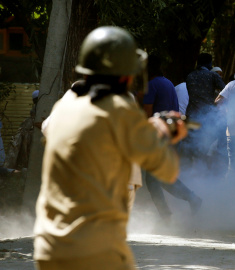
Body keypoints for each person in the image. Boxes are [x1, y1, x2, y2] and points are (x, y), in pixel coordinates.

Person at [33, 26, 188, 270]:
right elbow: (167, 171)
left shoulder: (66, 103)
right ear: (125, 74)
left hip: (49, 248)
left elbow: (50, 128)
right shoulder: (122, 107)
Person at [143, 55, 202, 223]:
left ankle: (167, 214)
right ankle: (187, 201)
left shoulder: (151, 85)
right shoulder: (168, 83)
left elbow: (148, 114)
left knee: (153, 179)